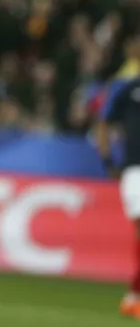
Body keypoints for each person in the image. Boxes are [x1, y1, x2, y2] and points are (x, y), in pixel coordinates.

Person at [95, 68, 140, 319]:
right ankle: (134, 296)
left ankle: (134, 296)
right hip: (136, 170)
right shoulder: (130, 89)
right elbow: (104, 122)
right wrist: (108, 160)